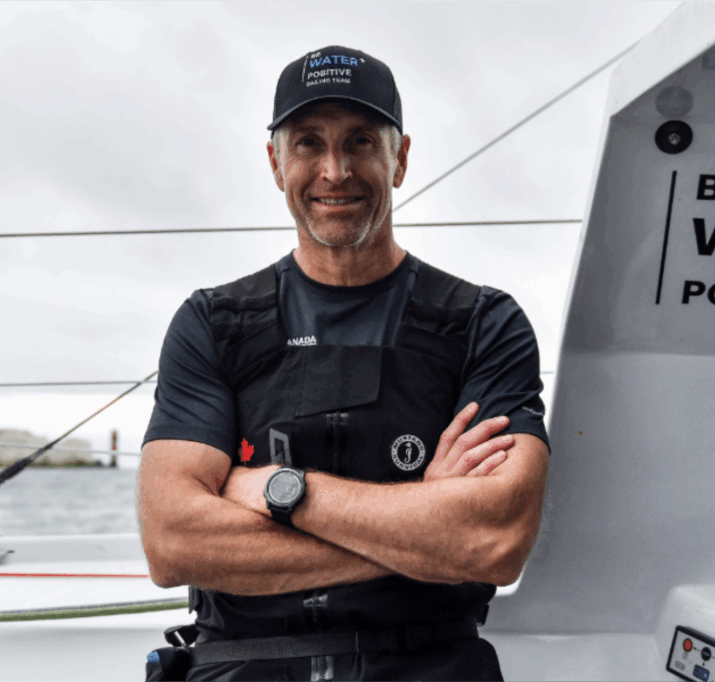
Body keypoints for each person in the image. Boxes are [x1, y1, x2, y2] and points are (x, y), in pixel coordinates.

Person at [138, 45, 549, 682]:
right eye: (307, 143)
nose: (334, 170)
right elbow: (172, 543)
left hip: (431, 663)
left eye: (360, 141)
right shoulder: (213, 323)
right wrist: (421, 522)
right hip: (244, 664)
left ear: (400, 159)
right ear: (276, 163)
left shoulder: (482, 324)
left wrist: (280, 492)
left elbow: (492, 541)